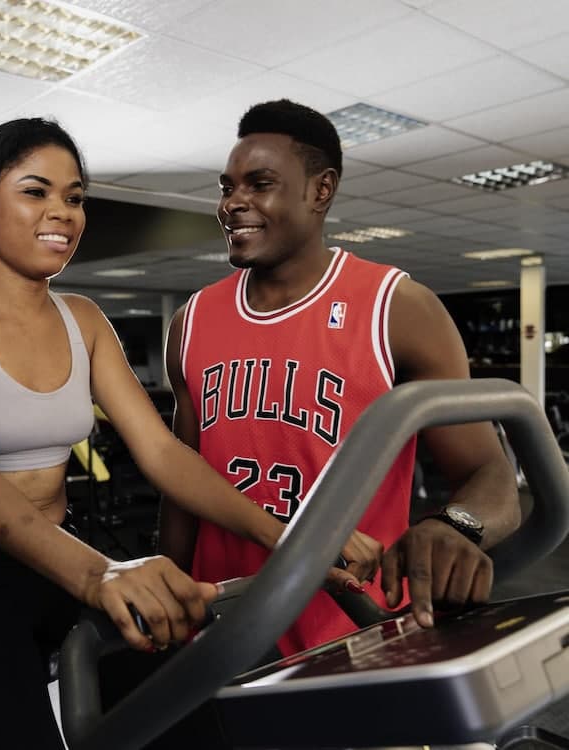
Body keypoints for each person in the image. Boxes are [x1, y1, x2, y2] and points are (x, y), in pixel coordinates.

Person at [0, 117, 381, 750]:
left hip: (61, 554)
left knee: (180, 714)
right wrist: (99, 575)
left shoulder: (84, 319)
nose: (62, 212)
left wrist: (288, 537)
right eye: (36, 192)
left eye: (74, 197)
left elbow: (160, 452)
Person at [160, 99, 521, 657]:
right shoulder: (191, 321)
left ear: (320, 190)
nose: (233, 203)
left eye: (260, 184)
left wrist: (455, 525)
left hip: (352, 630)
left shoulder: (397, 309)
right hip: (222, 623)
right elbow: (180, 487)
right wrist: (170, 602)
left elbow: (490, 474)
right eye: (227, 187)